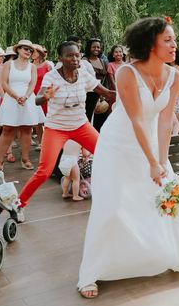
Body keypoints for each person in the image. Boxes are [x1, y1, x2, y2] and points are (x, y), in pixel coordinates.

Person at [77, 17, 179, 299]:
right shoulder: (127, 73)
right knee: (111, 206)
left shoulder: (174, 76)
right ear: (150, 44)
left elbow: (164, 122)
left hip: (152, 142)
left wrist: (161, 162)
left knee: (162, 198)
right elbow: (136, 120)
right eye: (168, 40)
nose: (175, 45)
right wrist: (151, 162)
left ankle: (171, 255)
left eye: (174, 40)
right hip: (118, 145)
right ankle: (91, 273)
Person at [18, 41, 115, 207]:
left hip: (80, 126)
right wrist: (46, 96)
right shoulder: (52, 77)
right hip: (56, 128)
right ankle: (18, 204)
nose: (75, 59)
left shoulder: (83, 74)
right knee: (44, 171)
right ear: (60, 58)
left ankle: (116, 194)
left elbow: (106, 93)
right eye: (70, 56)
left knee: (109, 155)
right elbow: (37, 100)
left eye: (77, 55)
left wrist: (130, 93)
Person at [0, 40, 43, 170]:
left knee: (27, 129)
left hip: (27, 98)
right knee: (7, 130)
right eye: (25, 49)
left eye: (30, 50)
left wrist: (26, 96)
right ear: (18, 50)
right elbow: (4, 83)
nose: (28, 52)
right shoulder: (9, 64)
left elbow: (33, 83)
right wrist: (16, 96)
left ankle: (25, 158)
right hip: (11, 98)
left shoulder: (32, 67)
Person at [83, 38, 110, 132]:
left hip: (100, 92)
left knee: (100, 118)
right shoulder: (84, 61)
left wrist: (103, 93)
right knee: (88, 116)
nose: (96, 49)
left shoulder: (102, 60)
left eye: (98, 47)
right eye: (94, 47)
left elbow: (106, 78)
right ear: (89, 48)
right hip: (89, 93)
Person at [32, 44, 52, 149]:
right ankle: (41, 143)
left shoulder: (47, 65)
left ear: (39, 53)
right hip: (34, 95)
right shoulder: (30, 66)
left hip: (45, 94)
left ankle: (49, 141)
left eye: (34, 51)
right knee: (37, 121)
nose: (32, 54)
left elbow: (53, 79)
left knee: (47, 119)